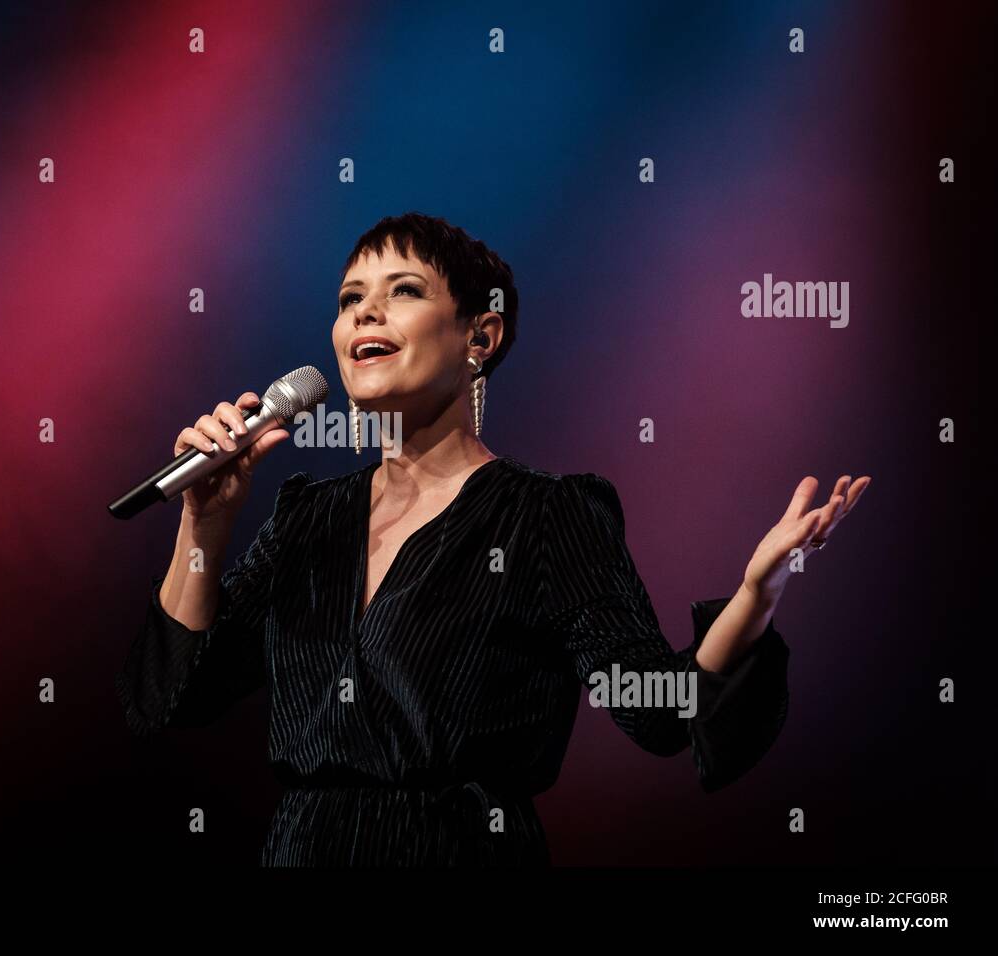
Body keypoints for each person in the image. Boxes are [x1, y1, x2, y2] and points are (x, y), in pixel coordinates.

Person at [115, 212, 871, 866]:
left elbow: (657, 710)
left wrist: (756, 592)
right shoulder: (306, 519)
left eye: (402, 292)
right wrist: (203, 520)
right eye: (350, 301)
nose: (364, 316)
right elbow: (174, 698)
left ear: (481, 334)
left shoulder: (547, 517)